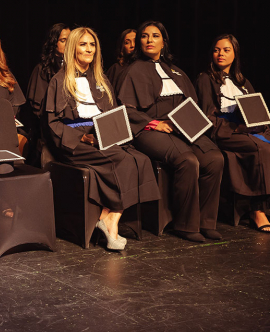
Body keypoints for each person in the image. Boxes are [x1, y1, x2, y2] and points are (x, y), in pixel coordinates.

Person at [42, 27, 159, 251]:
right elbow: (52, 124)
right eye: (83, 44)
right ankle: (110, 225)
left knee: (141, 159)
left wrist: (114, 133)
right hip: (75, 142)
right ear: (73, 48)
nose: (89, 49)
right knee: (122, 160)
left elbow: (112, 114)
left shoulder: (101, 79)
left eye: (92, 45)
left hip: (102, 137)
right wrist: (82, 138)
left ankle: (110, 217)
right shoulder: (59, 80)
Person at [117, 21, 223, 242]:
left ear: (163, 42)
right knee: (187, 160)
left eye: (155, 36)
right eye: (145, 36)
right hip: (149, 129)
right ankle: (185, 224)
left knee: (214, 158)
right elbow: (125, 109)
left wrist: (195, 126)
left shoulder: (175, 71)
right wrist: (154, 123)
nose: (149, 40)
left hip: (181, 127)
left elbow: (192, 104)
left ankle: (206, 221)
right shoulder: (133, 70)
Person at [195, 34, 270, 233]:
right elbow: (206, 117)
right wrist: (237, 128)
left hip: (247, 131)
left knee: (265, 142)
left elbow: (256, 110)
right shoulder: (205, 79)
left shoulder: (242, 81)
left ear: (235, 53)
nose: (220, 54)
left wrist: (260, 125)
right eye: (216, 50)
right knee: (260, 147)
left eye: (226, 50)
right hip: (224, 132)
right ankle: (256, 209)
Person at [23, 23, 70, 166]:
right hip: (51, 130)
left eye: (70, 40)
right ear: (53, 42)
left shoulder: (77, 70)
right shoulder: (42, 70)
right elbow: (37, 109)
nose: (68, 44)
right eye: (63, 40)